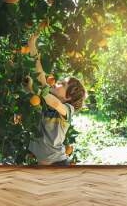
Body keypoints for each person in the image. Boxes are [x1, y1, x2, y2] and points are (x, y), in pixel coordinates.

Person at [25, 32, 86, 166]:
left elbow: (55, 102)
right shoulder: (48, 100)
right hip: (44, 163)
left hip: (58, 163)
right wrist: (32, 46)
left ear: (68, 97)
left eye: (62, 84)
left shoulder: (67, 110)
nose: (57, 83)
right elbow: (40, 74)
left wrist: (36, 90)